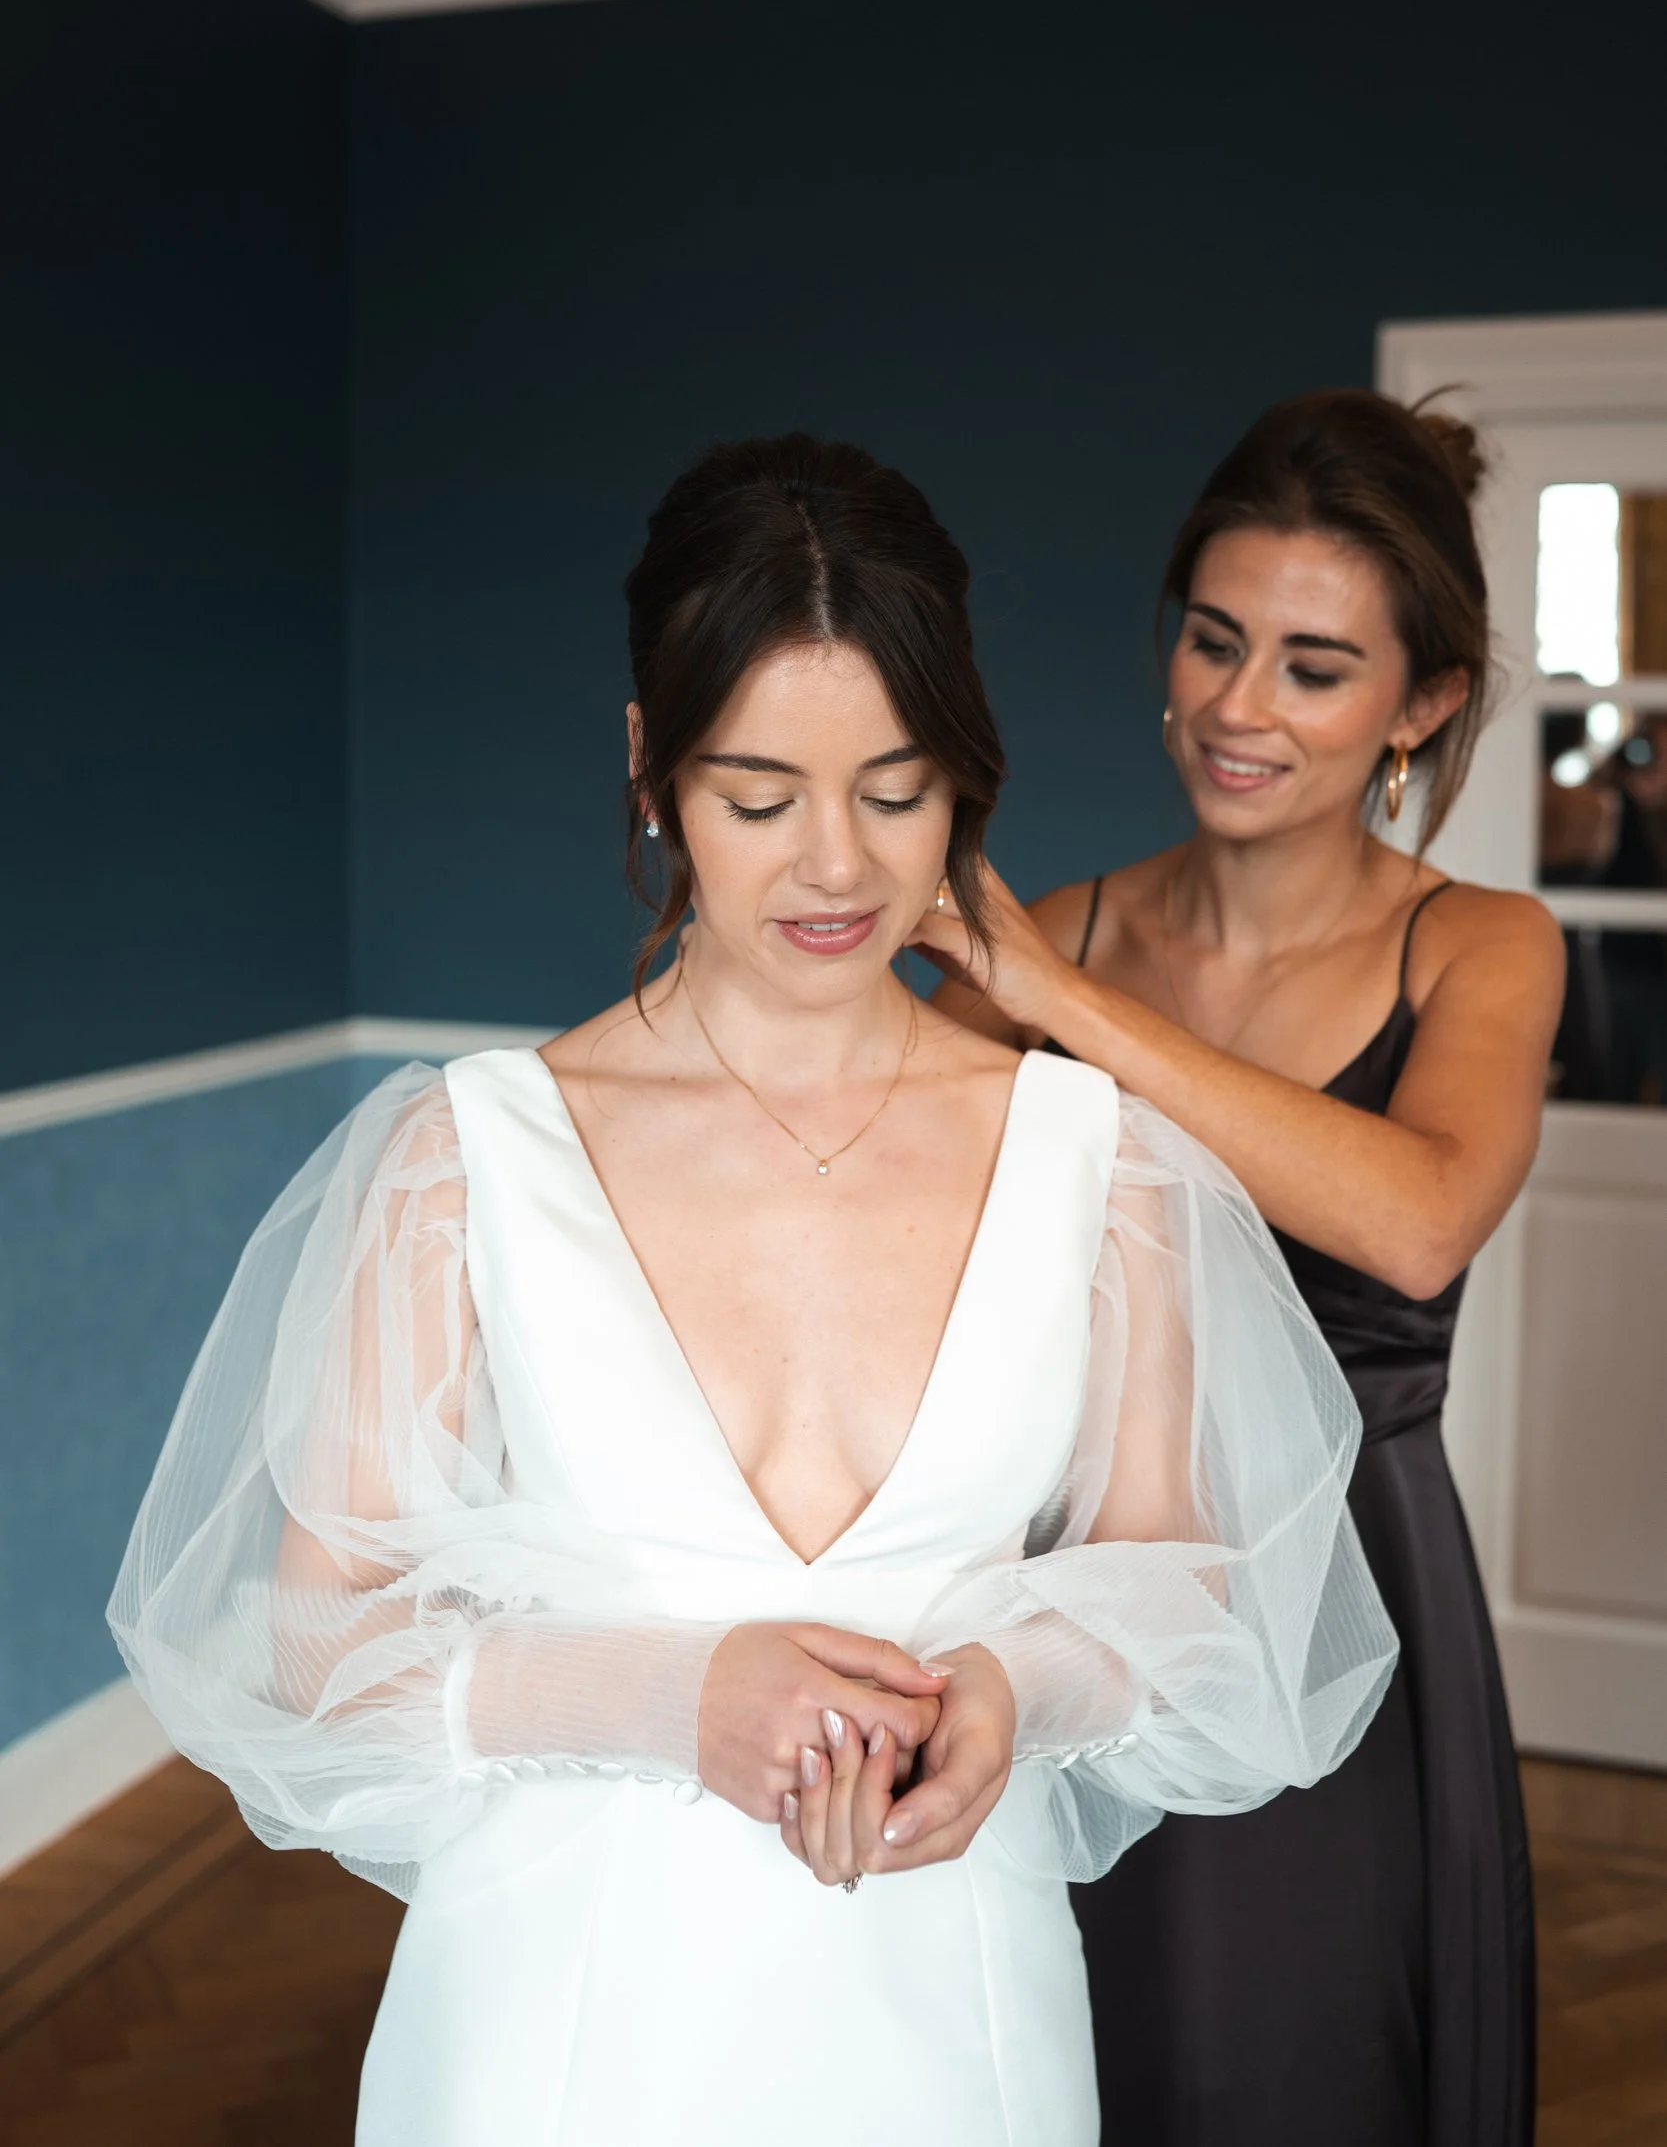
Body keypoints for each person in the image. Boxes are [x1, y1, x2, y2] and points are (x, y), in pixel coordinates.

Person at [111, 434, 1394, 2147]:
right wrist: (674, 1700)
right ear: (652, 769)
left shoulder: (1097, 1162)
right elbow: (313, 1641)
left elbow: (1172, 1587)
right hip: (554, 2022)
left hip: (959, 2014)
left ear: (963, 779)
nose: (836, 869)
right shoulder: (462, 1158)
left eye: (893, 788)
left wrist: (1017, 1692)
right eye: (758, 796)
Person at [927, 391, 1564, 2147]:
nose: (1233, 707)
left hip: (1343, 1585)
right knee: (1066, 2054)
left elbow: (1419, 1214)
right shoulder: (1049, 930)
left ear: (1419, 706)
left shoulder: (1481, 946)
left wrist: (1060, 1009)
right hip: (1065, 1578)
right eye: (1213, 642)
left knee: (1285, 2070)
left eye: (1310, 666)